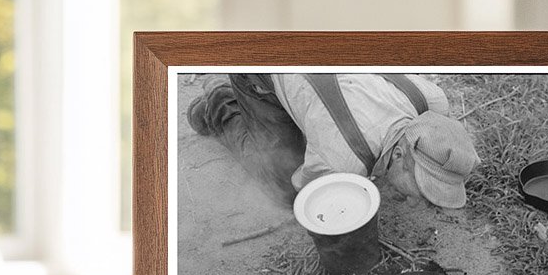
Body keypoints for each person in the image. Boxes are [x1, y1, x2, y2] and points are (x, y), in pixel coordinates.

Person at [187, 72, 480, 209]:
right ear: (400, 153)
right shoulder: (341, 162)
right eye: (421, 188)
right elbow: (305, 186)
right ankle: (219, 100)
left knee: (316, 124)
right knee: (281, 186)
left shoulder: (432, 101)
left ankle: (299, 114)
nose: (418, 202)